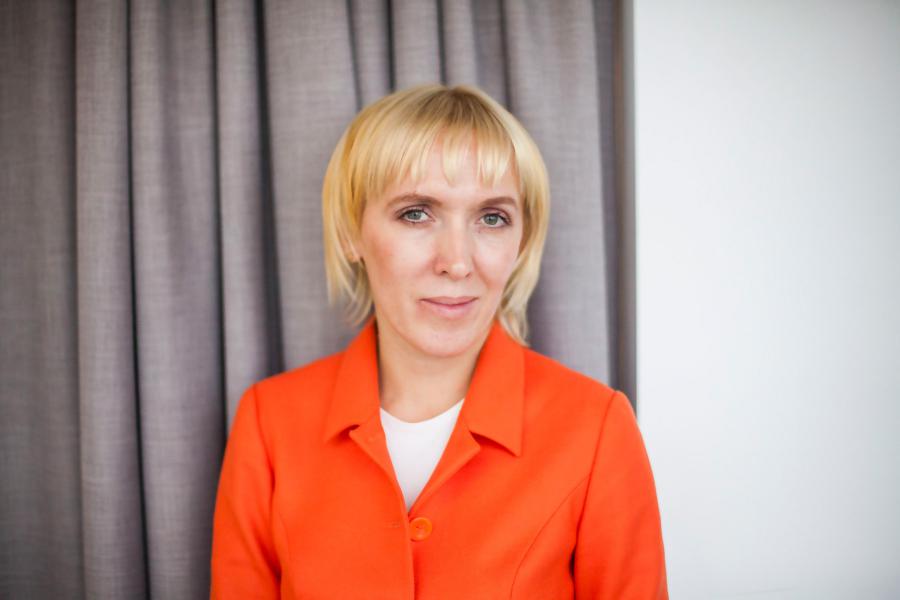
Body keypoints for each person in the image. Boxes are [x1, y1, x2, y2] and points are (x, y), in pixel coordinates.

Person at [210, 83, 668, 598]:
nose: (457, 262)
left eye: (492, 218)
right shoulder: (269, 422)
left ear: (521, 242)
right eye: (416, 213)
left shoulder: (596, 428)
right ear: (350, 232)